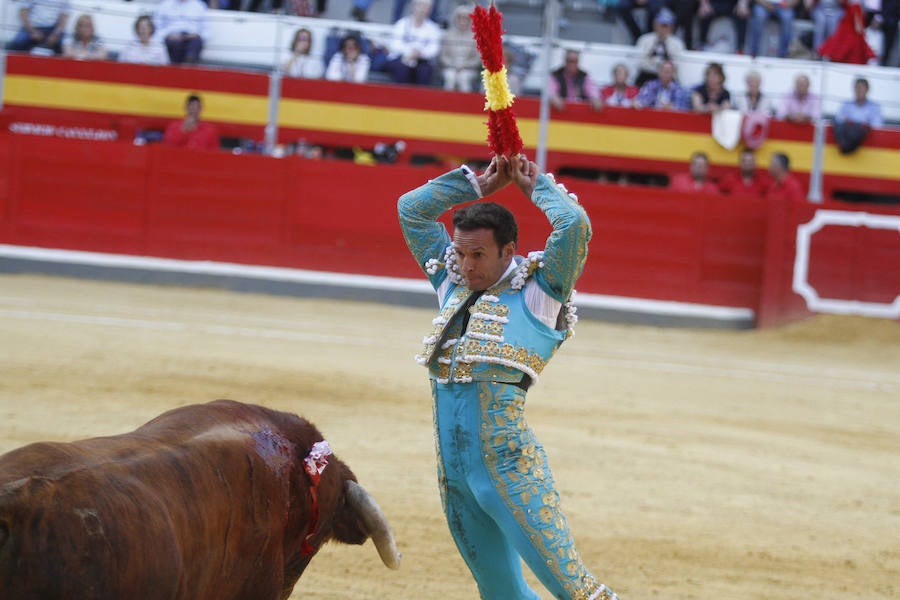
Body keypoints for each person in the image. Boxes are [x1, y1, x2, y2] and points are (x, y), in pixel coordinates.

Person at [397, 153, 619, 600]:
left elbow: (573, 227)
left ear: (509, 252)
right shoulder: (452, 280)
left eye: (478, 254)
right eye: (459, 252)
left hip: (511, 474)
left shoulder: (541, 291)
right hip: (455, 478)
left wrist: (534, 186)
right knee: (500, 594)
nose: (465, 264)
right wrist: (477, 185)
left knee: (577, 592)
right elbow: (411, 209)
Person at [385, 0, 442, 86]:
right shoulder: (402, 23)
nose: (422, 9)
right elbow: (395, 44)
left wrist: (420, 53)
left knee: (425, 71)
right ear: (414, 7)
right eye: (420, 6)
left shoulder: (433, 28)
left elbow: (434, 49)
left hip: (422, 60)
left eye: (426, 7)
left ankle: (421, 98)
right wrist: (409, 52)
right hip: (400, 59)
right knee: (402, 69)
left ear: (430, 10)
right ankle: (399, 97)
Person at [634, 7, 685, 87]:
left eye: (666, 26)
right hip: (648, 74)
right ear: (655, 25)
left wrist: (662, 68)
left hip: (668, 76)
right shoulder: (644, 40)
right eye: (661, 25)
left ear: (671, 27)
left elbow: (677, 64)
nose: (663, 29)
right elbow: (640, 62)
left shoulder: (677, 43)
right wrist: (658, 67)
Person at [833, 76, 883, 153]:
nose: (859, 90)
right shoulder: (846, 104)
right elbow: (838, 119)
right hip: (847, 136)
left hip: (868, 147)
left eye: (862, 88)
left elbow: (877, 125)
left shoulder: (874, 107)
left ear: (867, 90)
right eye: (857, 88)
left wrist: (856, 124)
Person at [439, 5, 480, 93]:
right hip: (450, 67)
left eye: (465, 18)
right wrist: (453, 64)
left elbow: (477, 59)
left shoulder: (476, 37)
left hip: (468, 69)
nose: (462, 21)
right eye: (460, 18)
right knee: (450, 77)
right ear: (455, 19)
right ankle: (446, 103)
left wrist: (465, 65)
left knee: (463, 78)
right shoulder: (448, 35)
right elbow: (443, 56)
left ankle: (465, 105)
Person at [155, 0, 209, 65]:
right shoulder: (165, 5)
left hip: (192, 38)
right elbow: (157, 27)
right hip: (172, 38)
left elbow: (207, 30)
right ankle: (175, 70)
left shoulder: (199, 5)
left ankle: (187, 68)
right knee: (174, 44)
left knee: (196, 42)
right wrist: (168, 35)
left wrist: (197, 35)